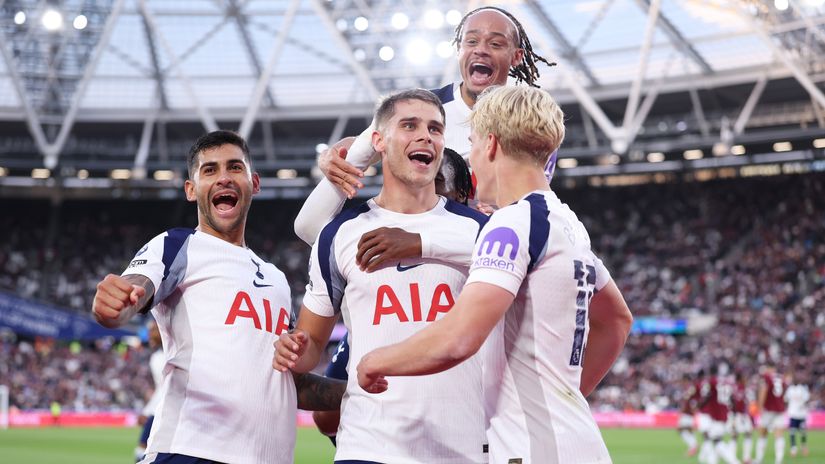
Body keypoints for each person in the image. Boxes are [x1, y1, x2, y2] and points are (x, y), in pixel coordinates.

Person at [356, 85, 633, 463]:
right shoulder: (567, 224)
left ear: (490, 144)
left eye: (470, 143)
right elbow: (617, 320)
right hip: (573, 439)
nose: (469, 158)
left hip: (533, 451)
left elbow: (458, 339)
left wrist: (376, 360)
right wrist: (558, 403)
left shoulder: (511, 224)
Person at [91, 130, 344, 464]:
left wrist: (357, 392)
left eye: (234, 168)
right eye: (209, 170)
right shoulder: (176, 245)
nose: (224, 177)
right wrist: (117, 305)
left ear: (254, 183)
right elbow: (136, 289)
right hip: (190, 451)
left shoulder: (277, 279)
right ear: (191, 189)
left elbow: (288, 384)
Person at [273, 89, 490, 463]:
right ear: (378, 142)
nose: (426, 136)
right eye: (410, 125)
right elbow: (309, 348)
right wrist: (292, 350)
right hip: (368, 445)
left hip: (461, 447)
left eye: (435, 129)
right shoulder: (339, 234)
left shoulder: (483, 232)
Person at [293, 6, 555, 246]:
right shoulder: (419, 110)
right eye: (471, 41)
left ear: (517, 56)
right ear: (459, 50)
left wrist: (425, 244)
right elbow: (308, 226)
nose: (481, 49)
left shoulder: (529, 124)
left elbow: (526, 236)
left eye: (496, 43)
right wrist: (342, 156)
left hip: (482, 258)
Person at [310, 147, 474, 445]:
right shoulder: (371, 240)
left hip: (468, 438)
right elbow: (325, 420)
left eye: (437, 182)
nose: (424, 191)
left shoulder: (488, 236)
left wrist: (421, 242)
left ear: (463, 193)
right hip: (378, 444)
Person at [135, 320, 164, 462]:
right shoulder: (157, 357)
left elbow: (165, 389)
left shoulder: (164, 357)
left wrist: (147, 412)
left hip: (166, 411)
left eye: (153, 330)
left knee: (143, 450)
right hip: (161, 410)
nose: (150, 334)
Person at [754, 365, 788, 464]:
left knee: (762, 434)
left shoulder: (766, 377)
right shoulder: (781, 378)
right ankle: (778, 460)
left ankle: (759, 459)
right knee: (779, 435)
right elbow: (784, 392)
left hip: (768, 409)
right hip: (780, 410)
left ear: (769, 368)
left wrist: (760, 407)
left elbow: (763, 391)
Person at [784, 373, 810, 458]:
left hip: (801, 415)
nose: (795, 380)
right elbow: (786, 399)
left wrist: (803, 405)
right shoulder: (790, 389)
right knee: (792, 432)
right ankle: (793, 449)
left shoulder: (802, 389)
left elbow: (807, 399)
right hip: (793, 414)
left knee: (803, 432)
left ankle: (804, 447)